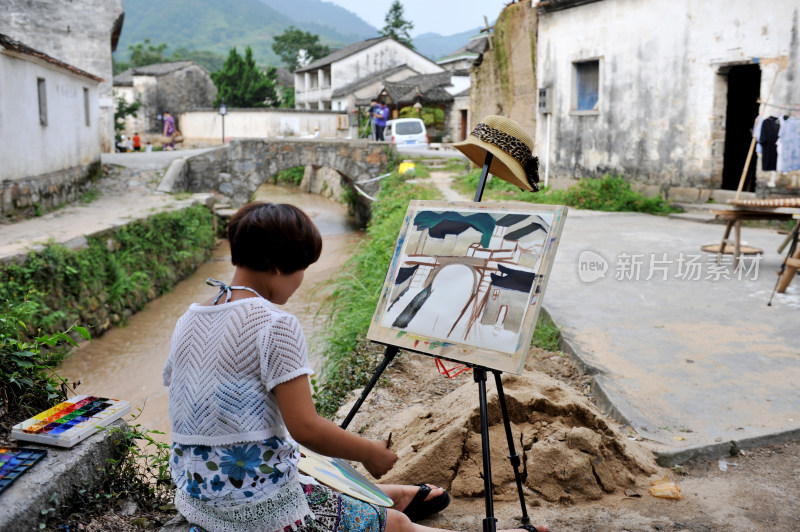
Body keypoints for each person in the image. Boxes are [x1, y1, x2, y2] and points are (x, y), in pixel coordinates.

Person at [162, 202, 549, 532]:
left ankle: (386, 497)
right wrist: (369, 453)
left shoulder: (189, 318)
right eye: (302, 270)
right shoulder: (274, 325)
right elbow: (306, 428)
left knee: (308, 469)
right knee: (394, 526)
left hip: (199, 497)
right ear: (280, 266)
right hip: (253, 511)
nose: (300, 282)